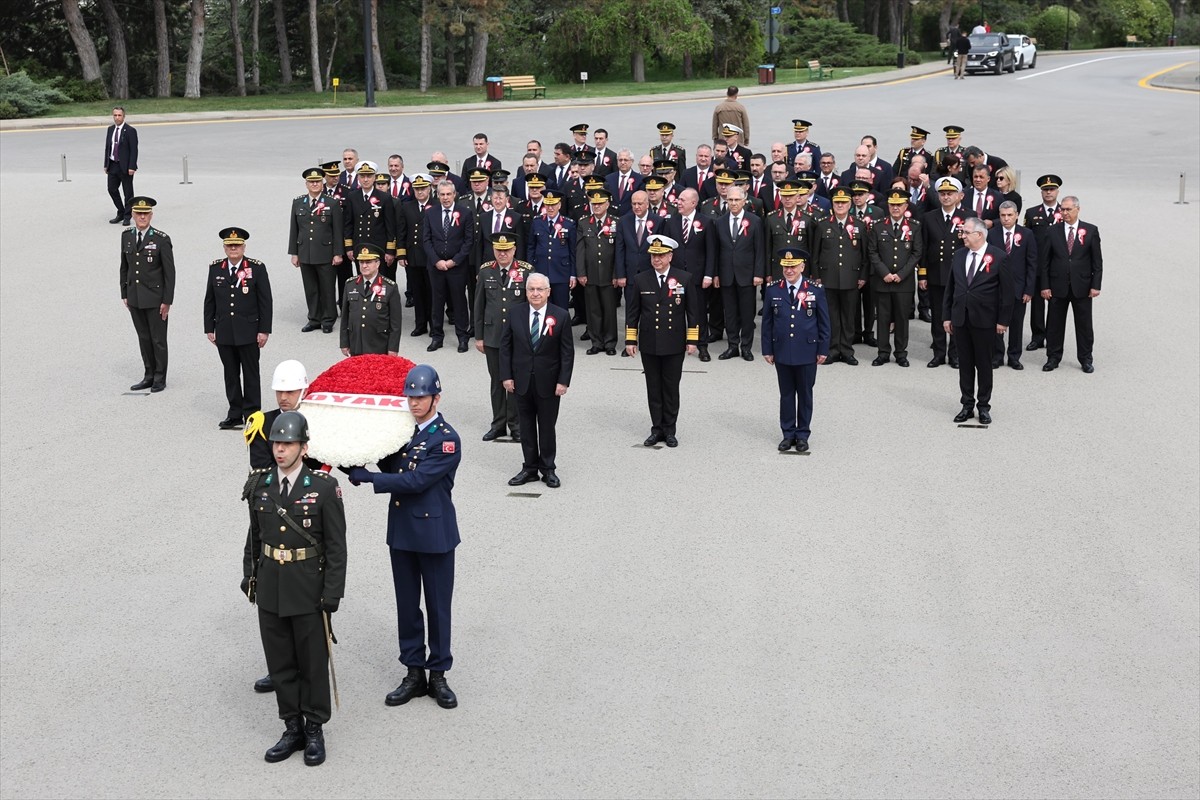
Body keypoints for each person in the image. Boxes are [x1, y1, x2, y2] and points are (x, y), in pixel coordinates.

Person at [346, 365, 460, 710]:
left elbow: (415, 481)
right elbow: (387, 461)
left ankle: (438, 672)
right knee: (407, 605)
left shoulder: (446, 439)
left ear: (436, 398)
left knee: (438, 607)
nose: (413, 403)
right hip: (403, 532)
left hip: (435, 534)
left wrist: (368, 479)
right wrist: (346, 458)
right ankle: (413, 671)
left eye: (421, 397)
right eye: (410, 396)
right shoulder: (400, 431)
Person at [242, 411, 346, 766]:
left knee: (312, 662)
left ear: (304, 447)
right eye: (276, 443)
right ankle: (292, 726)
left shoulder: (323, 488)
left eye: (288, 444)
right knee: (281, 662)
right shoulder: (260, 484)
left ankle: (314, 727)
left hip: (307, 589)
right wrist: (249, 577)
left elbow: (336, 547)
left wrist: (332, 594)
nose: (280, 450)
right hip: (271, 587)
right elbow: (254, 538)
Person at [624, 235, 700, 448]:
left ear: (670, 256)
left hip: (674, 341)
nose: (656, 259)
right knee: (653, 387)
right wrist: (631, 339)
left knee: (670, 387)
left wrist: (692, 340)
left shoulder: (683, 278)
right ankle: (656, 428)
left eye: (661, 255)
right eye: (653, 255)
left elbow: (693, 312)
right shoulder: (641, 279)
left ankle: (670, 430)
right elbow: (633, 312)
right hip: (650, 341)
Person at [499, 273, 574, 489]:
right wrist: (506, 376)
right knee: (526, 426)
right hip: (521, 381)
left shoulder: (560, 315)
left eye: (540, 289)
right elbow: (506, 348)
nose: (535, 293)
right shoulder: (515, 313)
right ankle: (530, 468)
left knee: (547, 427)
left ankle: (548, 468)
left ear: (548, 292)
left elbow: (566, 353)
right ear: (526, 291)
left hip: (549, 383)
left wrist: (563, 381)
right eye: (531, 289)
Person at [943, 218, 1012, 425]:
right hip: (961, 319)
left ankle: (983, 406)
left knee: (983, 364)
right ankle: (966, 404)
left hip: (985, 320)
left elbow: (1007, 293)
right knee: (965, 364)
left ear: (979, 234)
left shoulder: (999, 257)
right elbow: (951, 287)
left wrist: (1003, 321)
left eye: (965, 232)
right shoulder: (959, 255)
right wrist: (946, 316)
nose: (962, 235)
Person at [762, 248, 830, 452]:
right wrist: (767, 349)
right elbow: (767, 323)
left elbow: (824, 323)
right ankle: (788, 433)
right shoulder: (773, 290)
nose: (789, 270)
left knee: (805, 393)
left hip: (807, 350)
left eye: (793, 266)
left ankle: (802, 434)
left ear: (802, 266)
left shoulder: (815, 290)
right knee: (786, 394)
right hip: (782, 349)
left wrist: (823, 349)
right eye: (785, 266)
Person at [204, 227, 272, 429]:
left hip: (249, 330)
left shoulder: (256, 268)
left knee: (251, 374)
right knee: (231, 374)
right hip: (224, 330)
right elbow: (210, 300)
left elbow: (265, 301)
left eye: (237, 245)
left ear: (244, 246)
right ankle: (234, 413)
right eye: (229, 245)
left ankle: (252, 414)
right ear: (224, 248)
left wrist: (264, 330)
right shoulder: (216, 268)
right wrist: (209, 327)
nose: (233, 248)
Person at [475, 233, 531, 441]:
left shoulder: (526, 272)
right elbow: (479, 305)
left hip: (517, 338)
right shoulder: (485, 272)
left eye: (507, 250)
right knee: (497, 381)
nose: (503, 254)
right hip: (493, 336)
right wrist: (479, 336)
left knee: (515, 381)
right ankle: (498, 424)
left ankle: (516, 425)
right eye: (499, 250)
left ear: (514, 250)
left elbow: (530, 306)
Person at [1039, 196, 1102, 373]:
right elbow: (1044, 262)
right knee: (1054, 324)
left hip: (1081, 286)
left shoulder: (1090, 231)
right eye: (1062, 210)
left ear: (1077, 209)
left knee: (1084, 325)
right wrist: (1045, 286)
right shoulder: (1052, 231)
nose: (1065, 213)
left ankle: (1085, 358)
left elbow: (1097, 261)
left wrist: (1095, 285)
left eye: (1068, 209)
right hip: (1057, 285)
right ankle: (1053, 357)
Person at [920, 176, 977, 368]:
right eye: (942, 194)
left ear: (959, 196)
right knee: (937, 316)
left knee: (957, 316)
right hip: (936, 274)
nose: (946, 197)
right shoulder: (929, 217)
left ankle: (955, 354)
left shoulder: (969, 216)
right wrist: (923, 274)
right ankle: (938, 353)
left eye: (950, 194)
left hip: (959, 275)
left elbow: (974, 246)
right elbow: (924, 248)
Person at [120, 196, 174, 392]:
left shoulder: (161, 239)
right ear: (133, 215)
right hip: (135, 297)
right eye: (138, 214)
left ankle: (160, 377)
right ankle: (148, 374)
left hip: (155, 298)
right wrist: (124, 292)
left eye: (146, 214)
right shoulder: (126, 236)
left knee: (158, 339)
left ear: (151, 215)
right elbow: (124, 267)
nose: (142, 217)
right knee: (143, 337)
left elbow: (170, 273)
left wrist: (167, 301)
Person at [867, 189, 923, 366]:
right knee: (883, 318)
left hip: (903, 282)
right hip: (883, 281)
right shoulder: (878, 226)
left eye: (899, 205)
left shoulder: (914, 226)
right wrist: (885, 273)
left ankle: (901, 353)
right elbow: (872, 252)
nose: (895, 208)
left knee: (901, 319)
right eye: (892, 205)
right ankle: (883, 352)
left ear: (906, 206)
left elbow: (916, 253)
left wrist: (901, 274)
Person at [811, 186, 867, 365]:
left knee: (849, 317)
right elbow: (816, 254)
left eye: (844, 202)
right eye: (837, 202)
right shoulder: (823, 224)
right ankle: (832, 350)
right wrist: (817, 276)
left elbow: (865, 255)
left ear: (850, 203)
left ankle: (847, 350)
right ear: (832, 204)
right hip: (828, 278)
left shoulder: (859, 225)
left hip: (851, 278)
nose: (840, 205)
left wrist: (863, 276)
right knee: (831, 317)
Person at [713, 185, 765, 361]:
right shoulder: (719, 222)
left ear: (744, 201)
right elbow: (716, 250)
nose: (733, 203)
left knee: (747, 312)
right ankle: (732, 345)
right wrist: (716, 274)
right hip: (726, 273)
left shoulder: (755, 221)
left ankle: (746, 346)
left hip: (747, 275)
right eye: (730, 200)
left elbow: (760, 250)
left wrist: (759, 273)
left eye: (737, 200)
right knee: (730, 313)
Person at [290, 167, 344, 334]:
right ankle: (314, 318)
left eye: (317, 181)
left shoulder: (332, 202)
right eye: (311, 182)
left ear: (322, 183)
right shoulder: (298, 202)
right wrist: (294, 252)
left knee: (327, 288)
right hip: (305, 252)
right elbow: (294, 229)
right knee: (311, 288)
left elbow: (337, 230)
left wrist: (337, 253)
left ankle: (328, 319)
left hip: (326, 253)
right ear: (306, 184)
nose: (314, 184)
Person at [422, 180, 474, 352]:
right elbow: (426, 240)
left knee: (459, 302)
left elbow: (468, 241)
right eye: (442, 194)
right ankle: (437, 337)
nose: (445, 198)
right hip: (436, 266)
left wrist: (454, 261)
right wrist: (437, 261)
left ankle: (462, 337)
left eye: (448, 194)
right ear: (437, 195)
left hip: (457, 267)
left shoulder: (465, 213)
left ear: (454, 195)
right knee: (437, 303)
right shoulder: (430, 214)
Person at [988, 201, 1037, 369]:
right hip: (996, 287)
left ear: (1016, 215)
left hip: (1018, 288)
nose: (1006, 219)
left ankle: (1014, 356)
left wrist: (1029, 289)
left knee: (1016, 323)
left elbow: (1032, 263)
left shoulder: (1027, 234)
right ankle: (996, 355)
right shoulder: (991, 234)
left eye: (1010, 215)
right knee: (996, 322)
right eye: (1003, 215)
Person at [575, 188, 620, 355]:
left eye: (600, 203)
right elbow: (580, 249)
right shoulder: (584, 222)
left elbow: (618, 251)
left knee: (609, 310)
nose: (597, 206)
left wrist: (616, 274)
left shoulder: (616, 222)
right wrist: (581, 272)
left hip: (609, 275)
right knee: (593, 310)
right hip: (591, 273)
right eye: (594, 204)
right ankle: (596, 342)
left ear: (607, 204)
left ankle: (609, 343)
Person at [1023, 174, 1063, 352]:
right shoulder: (1032, 213)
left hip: (1058, 268)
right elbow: (1026, 239)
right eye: (1045, 190)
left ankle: (1053, 338)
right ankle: (1038, 337)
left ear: (1057, 191)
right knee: (1037, 305)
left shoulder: (1065, 212)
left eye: (1052, 189)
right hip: (1038, 267)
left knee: (1055, 305)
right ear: (1041, 192)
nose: (1049, 192)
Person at [340, 244, 402, 356]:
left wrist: (393, 348)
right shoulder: (350, 284)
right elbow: (345, 317)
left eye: (368, 262)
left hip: (379, 345)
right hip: (356, 344)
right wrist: (344, 343)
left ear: (377, 263)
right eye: (361, 262)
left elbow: (395, 323)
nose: (364, 266)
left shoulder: (390, 287)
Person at [528, 189, 577, 313]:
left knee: (561, 309)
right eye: (548, 204)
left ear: (559, 205)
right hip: (541, 271)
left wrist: (573, 274)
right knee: (541, 308)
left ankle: (563, 333)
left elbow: (573, 251)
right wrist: (530, 271)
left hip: (561, 272)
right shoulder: (537, 222)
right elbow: (531, 247)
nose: (550, 208)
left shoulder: (568, 224)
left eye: (553, 205)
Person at [104, 106, 138, 225]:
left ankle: (128, 215)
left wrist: (132, 166)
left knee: (127, 191)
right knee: (111, 189)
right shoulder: (110, 129)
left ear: (124, 116)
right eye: (115, 115)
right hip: (113, 164)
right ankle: (121, 211)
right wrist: (106, 164)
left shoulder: (130, 131)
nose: (117, 118)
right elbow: (108, 148)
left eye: (119, 115)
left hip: (126, 166)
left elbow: (134, 150)